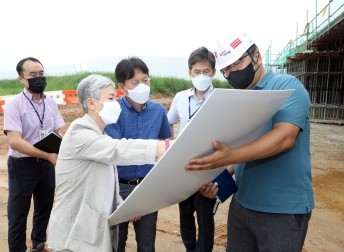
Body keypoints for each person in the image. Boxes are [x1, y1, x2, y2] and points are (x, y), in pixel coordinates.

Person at [185, 32, 314, 252]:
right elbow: (236, 154)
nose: (232, 72)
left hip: (281, 210)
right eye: (226, 69)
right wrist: (215, 183)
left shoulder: (287, 87)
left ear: (257, 56)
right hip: (242, 206)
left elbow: (284, 138)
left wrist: (231, 155)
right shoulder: (238, 98)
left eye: (237, 63)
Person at [47, 74, 172, 252]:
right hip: (74, 234)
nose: (116, 103)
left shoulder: (100, 135)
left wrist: (123, 208)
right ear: (91, 103)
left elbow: (105, 182)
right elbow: (119, 150)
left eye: (116, 97)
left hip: (87, 231)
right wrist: (165, 146)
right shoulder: (79, 131)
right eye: (111, 98)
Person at [104, 57, 172, 252]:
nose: (142, 86)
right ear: (122, 87)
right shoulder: (114, 111)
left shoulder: (159, 111)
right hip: (119, 187)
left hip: (147, 186)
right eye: (135, 82)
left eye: (145, 80)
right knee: (117, 243)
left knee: (147, 244)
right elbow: (116, 150)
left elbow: (165, 143)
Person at [3, 57, 66, 252]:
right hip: (22, 165)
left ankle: (38, 244)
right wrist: (48, 155)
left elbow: (61, 130)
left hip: (46, 164)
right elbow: (15, 141)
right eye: (33, 75)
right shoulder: (14, 104)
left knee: (44, 208)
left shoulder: (51, 103)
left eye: (41, 74)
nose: (39, 78)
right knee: (18, 212)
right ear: (22, 79)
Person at [167, 46, 217, 252]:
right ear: (189, 73)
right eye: (196, 72)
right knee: (185, 213)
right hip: (184, 166)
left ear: (214, 72)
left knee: (205, 216)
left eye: (206, 71)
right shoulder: (180, 97)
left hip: (209, 166)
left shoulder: (220, 98)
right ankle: (190, 248)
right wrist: (171, 145)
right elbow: (168, 123)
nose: (201, 76)